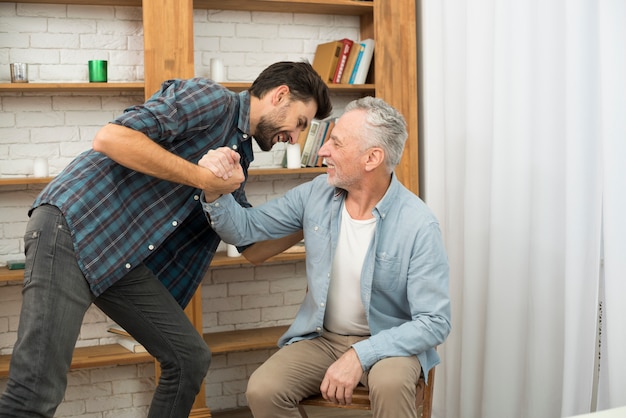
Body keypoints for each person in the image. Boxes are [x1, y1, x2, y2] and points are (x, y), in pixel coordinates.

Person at [0, 61, 332, 418]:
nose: (295, 137)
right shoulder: (210, 99)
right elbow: (112, 138)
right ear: (280, 95)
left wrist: (316, 215)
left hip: (119, 254)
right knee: (35, 389)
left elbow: (249, 246)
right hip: (73, 226)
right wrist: (203, 179)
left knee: (188, 358)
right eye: (299, 123)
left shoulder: (239, 157)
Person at [201, 96, 452, 418]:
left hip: (389, 344)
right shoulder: (316, 194)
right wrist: (214, 188)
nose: (322, 151)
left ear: (372, 158)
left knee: (390, 385)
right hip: (323, 339)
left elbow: (434, 322)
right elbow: (245, 230)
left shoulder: (418, 224)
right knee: (263, 389)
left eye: (336, 142)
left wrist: (361, 354)